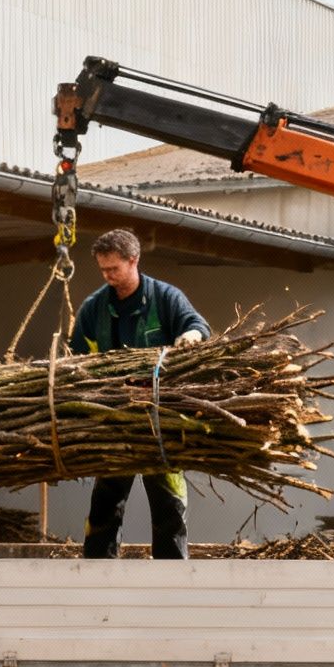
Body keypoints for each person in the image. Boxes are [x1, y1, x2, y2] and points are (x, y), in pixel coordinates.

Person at [66, 228, 210, 559]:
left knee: (169, 505)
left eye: (113, 269)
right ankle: (99, 574)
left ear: (134, 261)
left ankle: (171, 580)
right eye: (103, 269)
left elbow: (197, 325)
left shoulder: (165, 298)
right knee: (105, 504)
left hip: (160, 422)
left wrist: (190, 336)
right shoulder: (94, 308)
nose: (108, 276)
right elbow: (75, 361)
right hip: (115, 421)